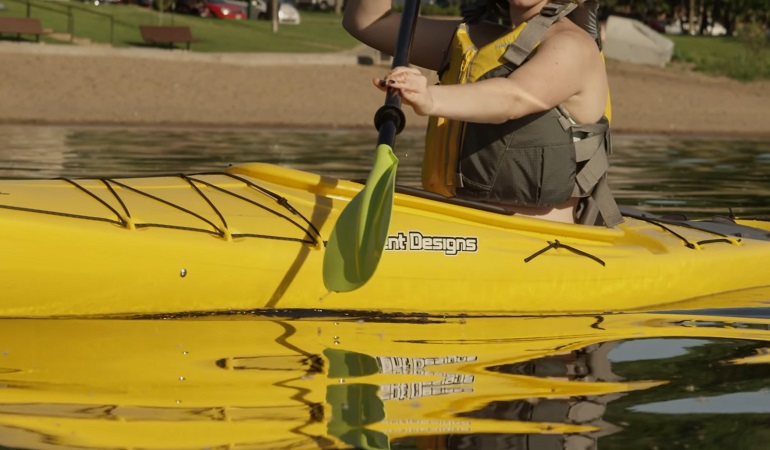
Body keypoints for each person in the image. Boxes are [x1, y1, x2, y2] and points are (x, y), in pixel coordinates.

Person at [342, 0, 623, 226]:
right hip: (459, 222)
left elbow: (514, 97)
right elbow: (367, 23)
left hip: (540, 242)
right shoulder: (475, 40)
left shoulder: (573, 46)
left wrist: (429, 97)